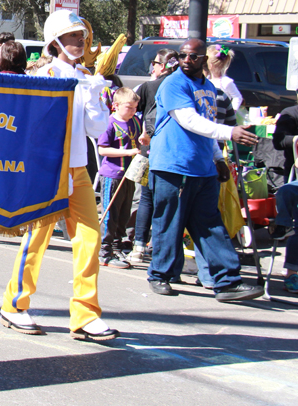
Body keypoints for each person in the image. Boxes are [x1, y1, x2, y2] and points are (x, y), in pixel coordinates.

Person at [0, 9, 118, 342]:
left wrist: (95, 92)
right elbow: (34, 128)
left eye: (81, 36)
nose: (79, 42)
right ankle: (14, 304)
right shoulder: (45, 75)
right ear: (56, 41)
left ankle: (85, 314)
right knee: (37, 240)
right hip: (48, 169)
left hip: (78, 168)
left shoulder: (84, 75)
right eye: (71, 36)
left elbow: (96, 129)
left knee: (90, 240)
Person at [146, 39, 262, 302]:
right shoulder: (173, 83)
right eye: (183, 56)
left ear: (204, 61)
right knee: (169, 222)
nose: (187, 60)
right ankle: (160, 275)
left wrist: (218, 158)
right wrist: (230, 132)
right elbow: (188, 120)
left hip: (202, 167)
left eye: (193, 56)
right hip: (173, 165)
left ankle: (227, 281)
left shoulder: (208, 87)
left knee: (210, 225)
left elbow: (207, 126)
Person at [129, 49, 179, 263]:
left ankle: (139, 245)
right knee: (166, 201)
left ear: (164, 65)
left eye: (155, 63)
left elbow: (131, 106)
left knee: (146, 198)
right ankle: (157, 247)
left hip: (149, 149)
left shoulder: (151, 86)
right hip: (173, 152)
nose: (153, 67)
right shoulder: (180, 84)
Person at [97, 87, 142, 269]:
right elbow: (102, 149)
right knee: (110, 214)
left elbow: (141, 140)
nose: (133, 111)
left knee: (124, 212)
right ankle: (104, 251)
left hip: (129, 175)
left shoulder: (136, 122)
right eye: (129, 107)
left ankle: (117, 247)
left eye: (135, 108)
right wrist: (127, 151)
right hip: (112, 175)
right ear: (115, 105)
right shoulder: (109, 123)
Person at [270, 96, 298, 294]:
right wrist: (295, 140)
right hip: (295, 175)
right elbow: (279, 140)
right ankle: (284, 224)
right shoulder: (291, 114)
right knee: (286, 191)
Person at [205, 44, 243, 111]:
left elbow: (237, 97)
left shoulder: (226, 82)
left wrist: (232, 111)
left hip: (222, 115)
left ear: (210, 65)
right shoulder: (207, 79)